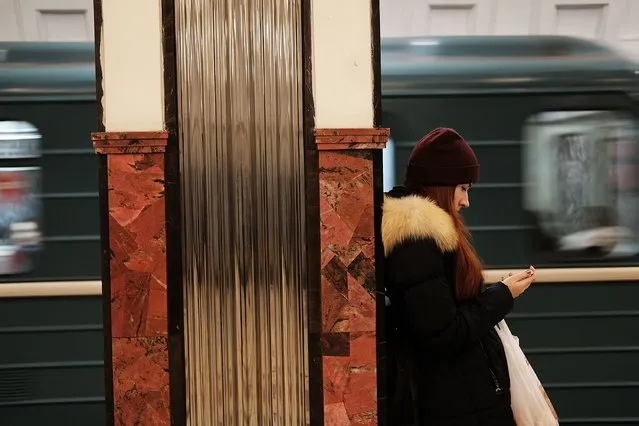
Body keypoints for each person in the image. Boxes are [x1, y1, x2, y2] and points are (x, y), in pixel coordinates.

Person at [383, 127, 537, 425]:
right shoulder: (416, 242)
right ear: (441, 185)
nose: (466, 201)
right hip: (451, 401)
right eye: (463, 188)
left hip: (459, 395)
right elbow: (443, 332)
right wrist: (502, 296)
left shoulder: (426, 238)